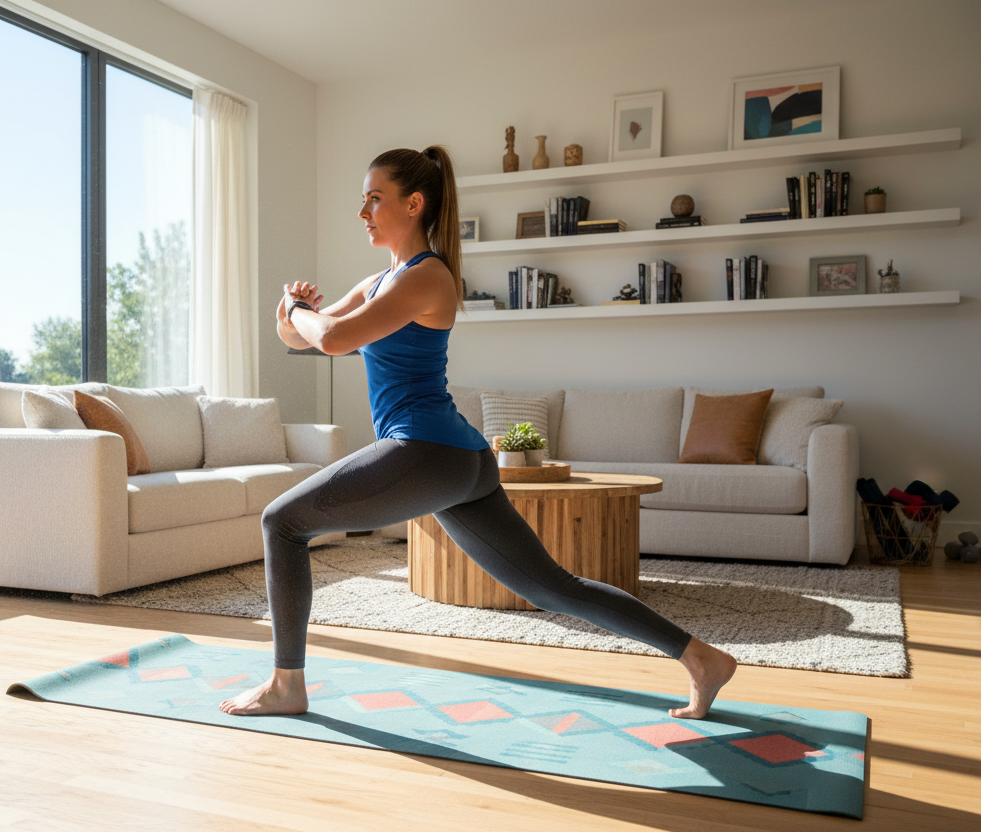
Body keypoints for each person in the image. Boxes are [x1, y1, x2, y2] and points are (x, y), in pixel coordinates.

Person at [218, 146, 736, 719]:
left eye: (373, 199)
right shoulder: (378, 282)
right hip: (458, 459)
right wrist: (287, 313)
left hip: (426, 449)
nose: (362, 212)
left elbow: (333, 339)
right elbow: (303, 338)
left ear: (413, 204)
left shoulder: (428, 276)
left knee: (281, 522)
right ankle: (701, 659)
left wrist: (298, 311)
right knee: (552, 588)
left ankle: (286, 685)